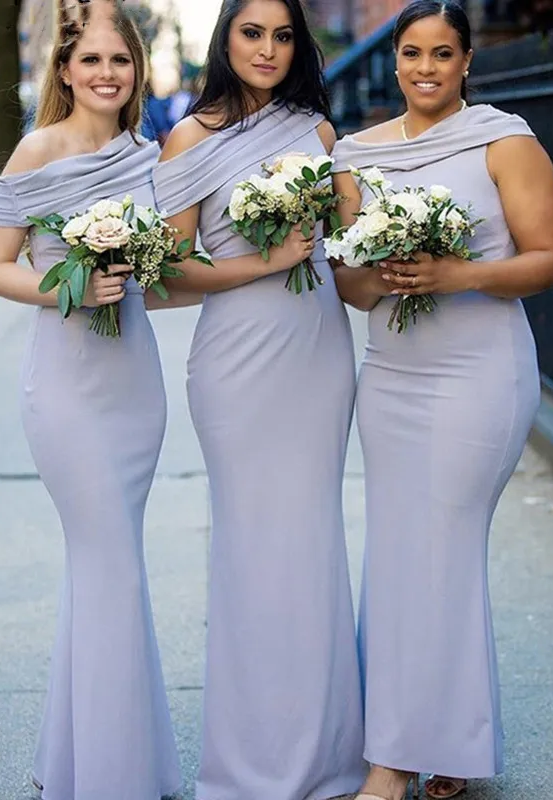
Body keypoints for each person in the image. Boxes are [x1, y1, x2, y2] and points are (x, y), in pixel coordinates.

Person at [330, 2, 553, 799]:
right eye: (410, 53)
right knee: (403, 555)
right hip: (391, 377)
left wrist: (453, 273)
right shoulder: (356, 154)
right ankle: (457, 744)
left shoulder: (505, 139)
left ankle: (393, 759)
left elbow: (548, 260)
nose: (424, 67)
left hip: (480, 376)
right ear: (394, 61)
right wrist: (384, 266)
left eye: (441, 53)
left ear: (467, 61)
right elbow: (353, 288)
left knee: (441, 552)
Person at [152, 0, 365, 798]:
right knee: (248, 546)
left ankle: (327, 757)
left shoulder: (315, 131)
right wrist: (260, 261)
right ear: (225, 39)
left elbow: (349, 251)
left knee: (311, 542)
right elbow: (164, 273)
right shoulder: (187, 138)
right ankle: (248, 766)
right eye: (252, 32)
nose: (268, 49)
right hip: (236, 360)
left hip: (316, 353)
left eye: (282, 36)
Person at [0, 2, 182, 797]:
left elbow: (165, 269)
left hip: (134, 382)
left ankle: (82, 763)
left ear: (136, 72)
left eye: (120, 62)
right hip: (65, 387)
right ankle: (112, 775)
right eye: (91, 60)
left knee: (107, 568)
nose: (106, 73)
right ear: (65, 70)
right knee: (112, 571)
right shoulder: (36, 151)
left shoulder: (147, 156)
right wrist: (70, 286)